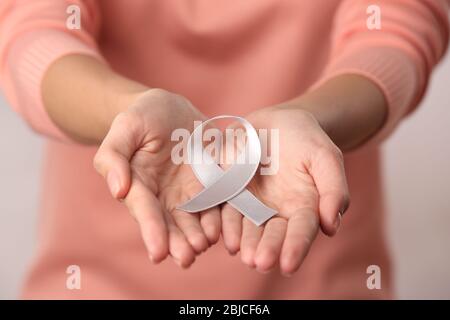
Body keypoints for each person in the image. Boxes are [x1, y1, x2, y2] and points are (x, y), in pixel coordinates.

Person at [0, 0, 448, 299]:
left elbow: (396, 26)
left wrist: (313, 119)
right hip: (97, 285)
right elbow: (32, 29)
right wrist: (127, 110)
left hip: (319, 279)